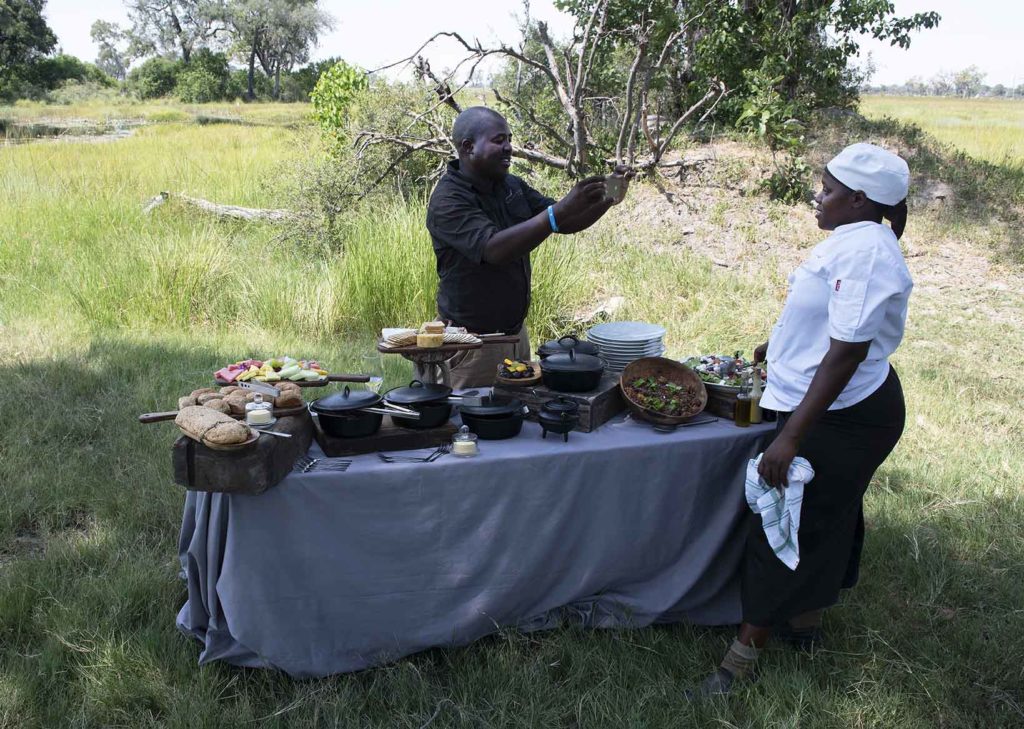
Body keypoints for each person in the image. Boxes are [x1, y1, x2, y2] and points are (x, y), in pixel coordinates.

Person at [689, 143, 914, 698]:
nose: (819, 196)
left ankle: (736, 665)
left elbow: (846, 352)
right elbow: (826, 317)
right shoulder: (855, 238)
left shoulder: (866, 253)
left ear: (860, 200)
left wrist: (790, 438)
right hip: (833, 407)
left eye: (830, 190)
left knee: (780, 522)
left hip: (845, 415)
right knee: (825, 513)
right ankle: (805, 624)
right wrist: (781, 343)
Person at [425, 106, 630, 388]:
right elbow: (493, 250)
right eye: (499, 140)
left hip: (514, 336)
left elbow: (563, 222)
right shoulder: (447, 200)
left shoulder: (510, 185)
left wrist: (608, 199)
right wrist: (557, 213)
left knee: (518, 420)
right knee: (471, 426)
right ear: (468, 147)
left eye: (509, 139)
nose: (509, 147)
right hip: (471, 345)